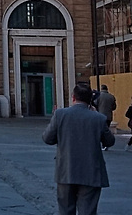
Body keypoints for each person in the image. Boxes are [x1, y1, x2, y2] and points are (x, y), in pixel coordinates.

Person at [42, 82, 115, 215]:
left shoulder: (60, 114)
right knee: (88, 211)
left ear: (73, 97)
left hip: (66, 171)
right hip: (91, 173)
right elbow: (110, 141)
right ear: (90, 101)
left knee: (65, 211)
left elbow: (47, 138)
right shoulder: (98, 118)